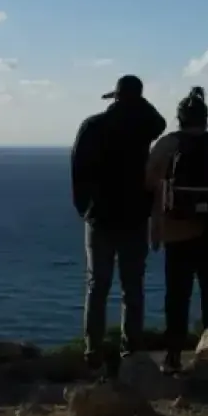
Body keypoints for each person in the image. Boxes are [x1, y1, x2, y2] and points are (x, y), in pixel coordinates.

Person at [145, 87, 208, 374]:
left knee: (177, 293)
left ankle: (173, 355)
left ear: (179, 118)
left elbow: (149, 181)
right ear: (206, 118)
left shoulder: (167, 145)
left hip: (176, 227)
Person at [71, 74, 167, 367]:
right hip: (134, 216)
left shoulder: (93, 125)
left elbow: (77, 168)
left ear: (115, 97)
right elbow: (160, 122)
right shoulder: (142, 127)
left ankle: (92, 350)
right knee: (132, 286)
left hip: (99, 216)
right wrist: (138, 101)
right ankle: (132, 348)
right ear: (138, 99)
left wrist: (83, 208)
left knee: (97, 285)